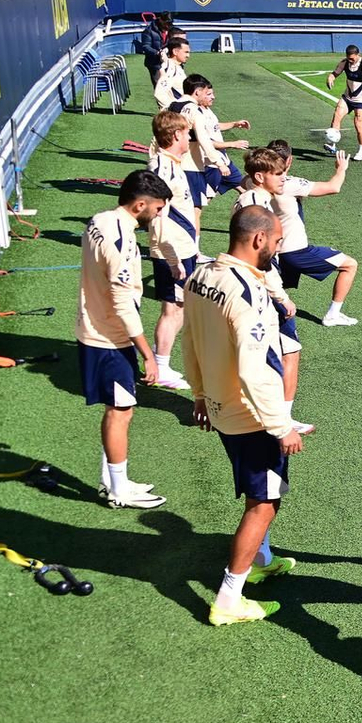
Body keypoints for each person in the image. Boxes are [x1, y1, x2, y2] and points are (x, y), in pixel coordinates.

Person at [181, 205, 305, 626]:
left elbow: (190, 339)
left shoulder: (201, 275)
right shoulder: (247, 291)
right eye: (277, 241)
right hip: (251, 418)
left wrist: (200, 394)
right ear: (258, 239)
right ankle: (229, 598)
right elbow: (254, 369)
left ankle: (261, 560)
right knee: (264, 503)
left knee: (264, 495)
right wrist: (281, 426)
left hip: (220, 407)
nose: (278, 248)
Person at [77, 169, 171, 509]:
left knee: (117, 409)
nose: (158, 215)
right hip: (109, 338)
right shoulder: (121, 241)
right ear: (140, 205)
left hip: (95, 329)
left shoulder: (98, 220)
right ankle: (118, 490)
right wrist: (148, 354)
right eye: (157, 209)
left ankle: (113, 479)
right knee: (121, 411)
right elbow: (122, 305)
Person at [237, 144, 359, 328]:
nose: (281, 178)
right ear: (289, 160)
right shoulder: (289, 184)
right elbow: (333, 187)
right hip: (295, 250)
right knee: (350, 264)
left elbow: (241, 183)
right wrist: (341, 169)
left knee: (270, 288)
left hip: (277, 251)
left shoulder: (251, 182)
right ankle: (333, 314)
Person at [143, 110, 202, 392]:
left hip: (184, 247)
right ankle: (160, 367)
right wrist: (172, 258)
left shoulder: (171, 163)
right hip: (172, 250)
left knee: (179, 307)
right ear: (177, 135)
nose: (190, 137)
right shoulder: (162, 169)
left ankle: (160, 360)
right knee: (173, 308)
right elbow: (158, 217)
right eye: (187, 133)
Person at [181, 74, 248, 196]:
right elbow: (206, 140)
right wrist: (232, 144)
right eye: (208, 94)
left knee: (244, 188)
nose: (213, 97)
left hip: (223, 159)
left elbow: (215, 126)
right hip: (211, 163)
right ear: (198, 93)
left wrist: (234, 124)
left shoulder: (207, 110)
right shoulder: (197, 113)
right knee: (206, 196)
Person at [324, 45, 362, 160]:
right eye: (348, 58)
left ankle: (361, 152)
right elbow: (335, 73)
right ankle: (333, 146)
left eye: (352, 58)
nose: (350, 61)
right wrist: (330, 78)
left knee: (358, 125)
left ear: (358, 55)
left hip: (361, 100)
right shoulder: (344, 63)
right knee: (336, 116)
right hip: (347, 97)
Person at [137, 12, 175, 87]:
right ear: (161, 20)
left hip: (168, 61)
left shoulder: (171, 29)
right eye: (166, 23)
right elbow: (146, 46)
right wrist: (158, 53)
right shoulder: (148, 31)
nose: (168, 26)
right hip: (154, 63)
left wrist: (167, 49)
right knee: (159, 86)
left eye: (170, 23)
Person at [152, 35, 190, 109]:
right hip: (174, 114)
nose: (188, 55)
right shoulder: (169, 67)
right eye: (186, 52)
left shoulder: (177, 66)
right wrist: (174, 109)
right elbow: (160, 93)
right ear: (175, 51)